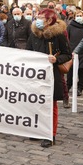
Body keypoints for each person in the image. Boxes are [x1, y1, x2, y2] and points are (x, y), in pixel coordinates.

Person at [26, 8, 71, 147]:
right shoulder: (34, 33)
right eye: (37, 17)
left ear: (50, 20)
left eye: (41, 17)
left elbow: (67, 54)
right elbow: (28, 51)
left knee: (51, 106)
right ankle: (38, 130)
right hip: (36, 75)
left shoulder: (59, 35)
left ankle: (50, 134)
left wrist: (56, 60)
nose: (38, 20)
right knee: (36, 104)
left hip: (52, 75)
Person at [66, 10, 83, 96]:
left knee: (81, 70)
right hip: (72, 51)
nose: (79, 17)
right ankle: (68, 86)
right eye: (77, 15)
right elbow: (67, 38)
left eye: (81, 15)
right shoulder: (70, 26)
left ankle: (80, 87)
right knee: (70, 71)